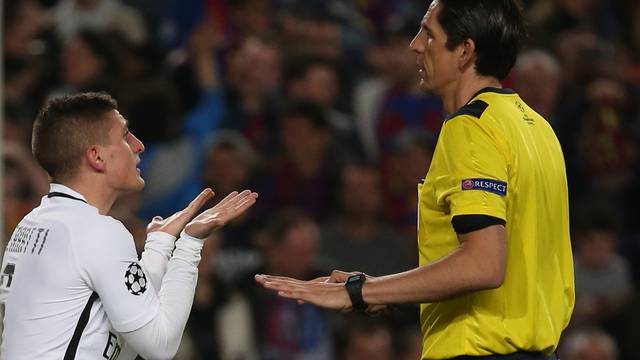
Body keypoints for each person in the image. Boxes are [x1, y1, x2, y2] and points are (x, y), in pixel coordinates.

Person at [256, 1, 575, 359]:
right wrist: (386, 294)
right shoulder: (537, 128)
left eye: (429, 34)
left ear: (465, 52)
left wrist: (362, 291)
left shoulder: (470, 129)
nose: (415, 45)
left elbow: (483, 265)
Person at [0, 92, 258, 359]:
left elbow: (122, 337)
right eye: (124, 136)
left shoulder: (33, 223)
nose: (139, 145)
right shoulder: (96, 232)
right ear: (96, 157)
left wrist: (160, 243)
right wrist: (190, 245)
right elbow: (160, 346)